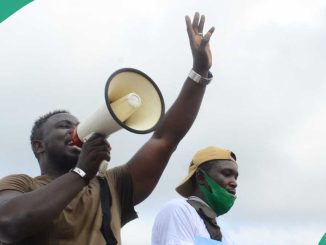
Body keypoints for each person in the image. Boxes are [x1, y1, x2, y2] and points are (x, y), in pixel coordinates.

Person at [0, 12, 215, 245]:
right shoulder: (21, 184)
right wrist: (81, 172)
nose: (76, 129)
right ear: (39, 145)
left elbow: (164, 139)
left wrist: (199, 73)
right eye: (64, 126)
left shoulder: (111, 186)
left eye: (78, 125)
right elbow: (10, 223)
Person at [151, 146, 239, 245]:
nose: (234, 183)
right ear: (200, 177)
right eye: (227, 174)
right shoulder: (179, 210)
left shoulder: (226, 238)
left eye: (235, 177)